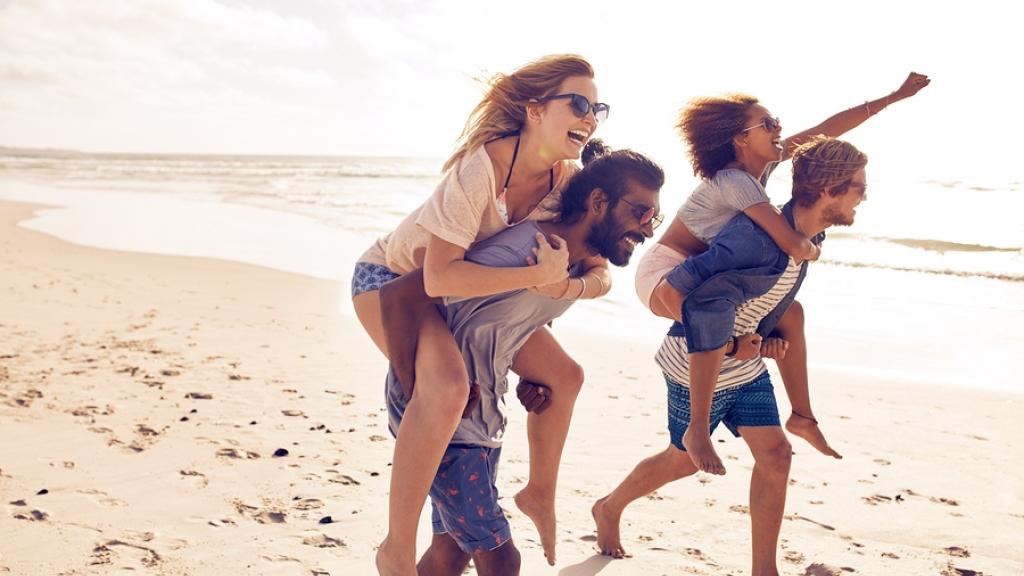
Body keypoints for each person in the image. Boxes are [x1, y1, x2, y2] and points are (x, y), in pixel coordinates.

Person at [351, 54, 614, 574]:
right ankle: (396, 549)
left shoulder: (568, 182)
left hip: (470, 304)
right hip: (393, 285)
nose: (589, 118)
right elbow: (437, 278)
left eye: (598, 108)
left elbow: (601, 273)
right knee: (448, 391)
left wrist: (567, 284)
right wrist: (536, 279)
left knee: (563, 376)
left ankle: (539, 494)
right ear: (535, 110)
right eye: (578, 104)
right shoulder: (481, 169)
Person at [380, 142, 664, 575]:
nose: (647, 229)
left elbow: (504, 318)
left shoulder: (573, 267)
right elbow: (400, 296)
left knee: (451, 552)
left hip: (486, 415)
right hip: (447, 416)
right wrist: (416, 389)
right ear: (598, 201)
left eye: (654, 218)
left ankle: (538, 492)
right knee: (501, 557)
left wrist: (526, 369)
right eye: (640, 213)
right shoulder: (525, 250)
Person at [593, 137, 869, 574]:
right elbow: (678, 295)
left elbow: (763, 301)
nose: (864, 196)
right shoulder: (752, 239)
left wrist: (763, 337)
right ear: (830, 187)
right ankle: (609, 508)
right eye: (858, 187)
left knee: (776, 455)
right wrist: (730, 345)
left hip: (743, 362)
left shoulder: (809, 237)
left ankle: (765, 570)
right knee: (682, 461)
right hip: (695, 359)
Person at [635, 72, 930, 474]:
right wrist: (811, 249)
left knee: (790, 315)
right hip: (664, 274)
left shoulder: (761, 170)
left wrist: (893, 98)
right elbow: (791, 243)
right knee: (718, 328)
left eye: (778, 122)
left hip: (697, 270)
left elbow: (825, 131)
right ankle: (698, 430)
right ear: (741, 139)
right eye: (768, 125)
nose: (779, 129)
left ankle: (803, 417)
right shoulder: (735, 181)